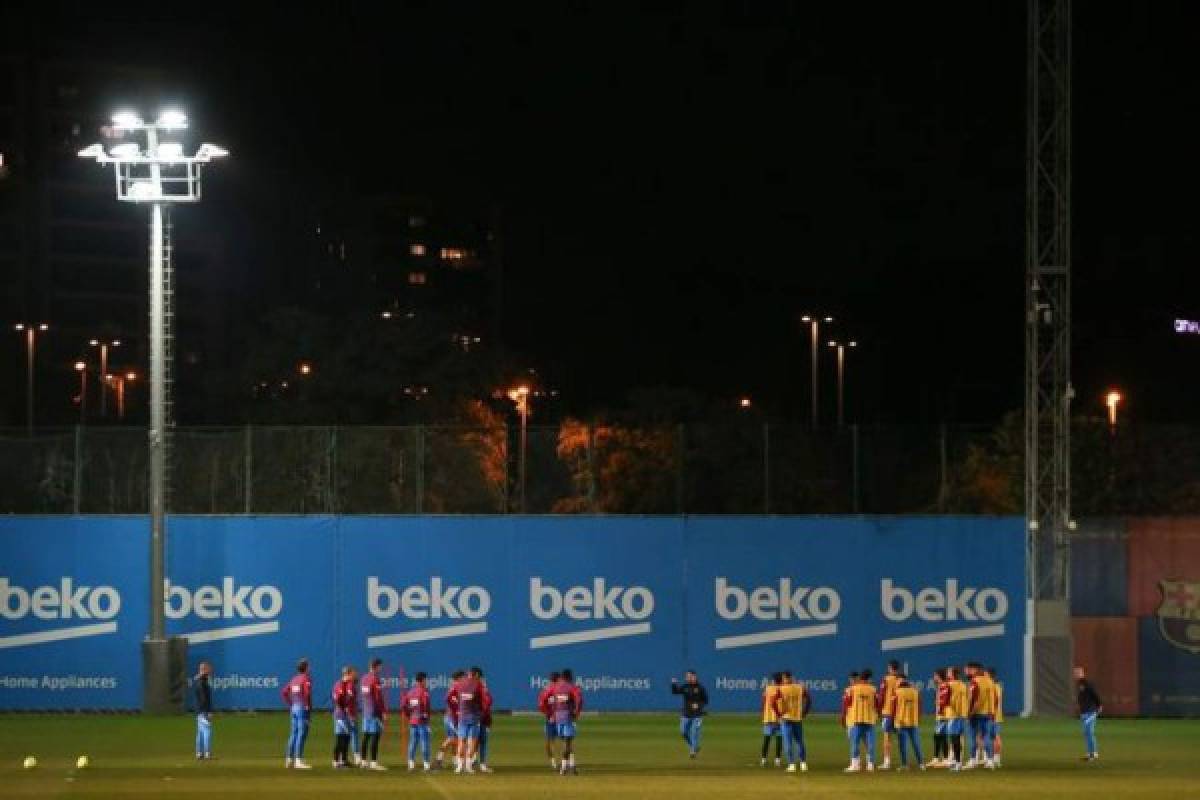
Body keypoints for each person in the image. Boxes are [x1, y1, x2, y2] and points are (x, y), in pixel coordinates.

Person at [449, 666, 486, 773]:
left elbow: (449, 697)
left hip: (462, 716)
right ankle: (468, 766)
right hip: (474, 716)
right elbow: (482, 700)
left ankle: (459, 766)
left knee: (461, 740)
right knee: (473, 741)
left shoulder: (459, 683)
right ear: (476, 675)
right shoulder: (478, 684)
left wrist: (456, 708)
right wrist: (480, 712)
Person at [773, 670, 811, 772]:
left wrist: (779, 715)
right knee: (800, 741)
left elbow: (773, 702)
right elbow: (809, 699)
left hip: (786, 718)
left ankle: (791, 764)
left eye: (783, 678)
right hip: (797, 718)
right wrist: (804, 712)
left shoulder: (781, 689)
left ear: (785, 678)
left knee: (788, 742)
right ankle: (803, 764)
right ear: (792, 677)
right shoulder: (799, 687)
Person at [843, 669, 880, 772]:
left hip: (856, 719)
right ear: (869, 678)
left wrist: (844, 718)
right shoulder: (873, 689)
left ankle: (855, 765)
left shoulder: (852, 689)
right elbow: (878, 704)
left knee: (855, 743)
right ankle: (870, 764)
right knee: (870, 743)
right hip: (870, 720)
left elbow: (847, 704)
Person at [549, 668, 583, 775]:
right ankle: (563, 768)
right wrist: (576, 712)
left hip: (558, 717)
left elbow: (551, 701)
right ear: (568, 676)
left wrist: (553, 714)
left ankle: (572, 766)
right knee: (568, 743)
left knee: (566, 742)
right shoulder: (572, 687)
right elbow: (579, 699)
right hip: (568, 716)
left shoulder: (555, 687)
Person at [281, 658, 313, 769]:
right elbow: (307, 694)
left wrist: (291, 704)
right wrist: (308, 709)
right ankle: (298, 760)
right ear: (306, 668)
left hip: (294, 708)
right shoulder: (306, 679)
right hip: (302, 708)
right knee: (302, 733)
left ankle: (289, 759)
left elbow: (284, 692)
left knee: (293, 733)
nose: (310, 668)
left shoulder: (294, 679)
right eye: (309, 666)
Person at [671, 669, 709, 759]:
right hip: (686, 714)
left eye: (688, 676)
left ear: (694, 676)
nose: (687, 678)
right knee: (683, 732)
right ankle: (694, 746)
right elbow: (675, 692)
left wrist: (699, 705)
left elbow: (705, 700)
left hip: (697, 714)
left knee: (694, 732)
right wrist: (673, 684)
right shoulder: (685, 686)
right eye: (686, 676)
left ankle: (692, 751)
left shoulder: (701, 688)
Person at [965, 662, 997, 769]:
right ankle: (990, 761)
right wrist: (992, 712)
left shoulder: (974, 682)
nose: (966, 672)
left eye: (968, 669)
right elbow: (994, 699)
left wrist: (969, 713)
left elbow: (972, 699)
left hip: (975, 713)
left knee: (973, 737)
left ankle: (973, 760)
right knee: (986, 736)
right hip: (987, 713)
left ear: (975, 670)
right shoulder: (990, 681)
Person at [359, 657, 387, 770]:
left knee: (366, 736)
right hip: (375, 712)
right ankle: (374, 763)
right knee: (375, 736)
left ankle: (363, 761)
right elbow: (378, 698)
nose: (381, 668)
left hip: (366, 711)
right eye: (380, 666)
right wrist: (383, 712)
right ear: (377, 666)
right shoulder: (375, 679)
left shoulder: (364, 678)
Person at [893, 675, 925, 770]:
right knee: (916, 743)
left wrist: (893, 721)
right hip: (913, 721)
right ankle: (921, 764)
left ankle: (904, 765)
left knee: (903, 744)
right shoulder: (915, 692)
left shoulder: (897, 693)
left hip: (901, 722)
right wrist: (918, 717)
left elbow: (893, 708)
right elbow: (920, 706)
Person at [436, 669, 465, 770]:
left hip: (449, 717)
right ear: (460, 677)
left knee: (454, 738)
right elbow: (448, 698)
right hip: (452, 718)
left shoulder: (454, 686)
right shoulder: (457, 686)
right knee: (454, 739)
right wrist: (457, 709)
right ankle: (439, 759)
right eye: (464, 677)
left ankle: (454, 760)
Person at [403, 671, 432, 771]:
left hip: (413, 721)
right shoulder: (424, 692)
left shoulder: (410, 692)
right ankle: (426, 764)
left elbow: (403, 705)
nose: (426, 682)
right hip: (422, 721)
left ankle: (411, 763)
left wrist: (409, 716)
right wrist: (426, 719)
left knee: (413, 742)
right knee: (424, 742)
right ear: (423, 680)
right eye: (426, 680)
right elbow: (426, 706)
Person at [1075, 665, 1103, 761]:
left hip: (1090, 711)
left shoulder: (1086, 683)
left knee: (1089, 732)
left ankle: (1094, 753)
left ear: (1082, 673)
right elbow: (1083, 698)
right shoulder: (1079, 684)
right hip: (1084, 712)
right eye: (1075, 673)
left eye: (1078, 672)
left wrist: (1099, 705)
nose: (1076, 674)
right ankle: (1089, 753)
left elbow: (1095, 694)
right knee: (1086, 733)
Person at [331, 666, 357, 768]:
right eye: (353, 673)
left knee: (347, 737)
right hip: (340, 715)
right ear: (348, 674)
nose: (354, 675)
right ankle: (335, 761)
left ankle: (344, 760)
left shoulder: (348, 684)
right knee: (340, 738)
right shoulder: (339, 685)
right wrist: (344, 709)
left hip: (346, 715)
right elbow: (338, 700)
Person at [878, 659, 901, 770]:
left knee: (887, 738)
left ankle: (887, 762)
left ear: (890, 668)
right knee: (901, 737)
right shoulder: (901, 680)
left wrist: (879, 709)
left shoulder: (886, 679)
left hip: (888, 712)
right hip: (900, 713)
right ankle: (904, 761)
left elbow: (882, 696)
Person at [759, 672, 784, 767]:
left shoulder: (768, 688)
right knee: (779, 739)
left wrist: (763, 714)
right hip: (779, 718)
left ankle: (763, 759)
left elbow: (763, 702)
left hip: (768, 717)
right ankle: (777, 759)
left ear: (773, 680)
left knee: (766, 739)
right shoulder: (782, 689)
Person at [538, 671, 561, 770]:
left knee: (549, 741)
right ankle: (567, 761)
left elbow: (541, 705)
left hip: (551, 719)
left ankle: (553, 762)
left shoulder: (546, 690)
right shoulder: (562, 689)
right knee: (567, 740)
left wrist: (548, 714)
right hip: (562, 718)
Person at [927, 669, 949, 767]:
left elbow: (944, 701)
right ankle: (937, 758)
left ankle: (945, 759)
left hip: (943, 716)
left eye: (935, 675)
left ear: (939, 676)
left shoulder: (944, 686)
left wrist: (939, 706)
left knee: (941, 737)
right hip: (940, 716)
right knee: (939, 737)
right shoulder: (941, 686)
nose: (933, 677)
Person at [193, 661, 213, 760]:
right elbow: (204, 698)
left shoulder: (198, 680)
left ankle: (199, 753)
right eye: (208, 668)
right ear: (204, 669)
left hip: (198, 710)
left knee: (200, 732)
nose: (210, 670)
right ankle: (207, 753)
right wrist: (207, 712)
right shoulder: (202, 682)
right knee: (207, 732)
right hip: (203, 710)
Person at [477, 670, 495, 773]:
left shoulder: (483, 691)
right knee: (480, 742)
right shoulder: (482, 690)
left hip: (479, 719)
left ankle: (472, 762)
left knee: (476, 742)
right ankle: (480, 764)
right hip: (480, 719)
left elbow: (488, 704)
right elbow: (488, 704)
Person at [988, 667, 1004, 767]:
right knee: (994, 737)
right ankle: (995, 759)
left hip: (992, 716)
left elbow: (994, 702)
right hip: (996, 716)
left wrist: (990, 714)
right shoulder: (997, 686)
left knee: (994, 737)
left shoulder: (994, 687)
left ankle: (993, 758)